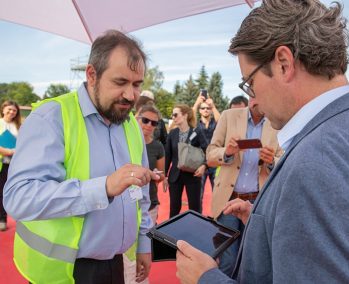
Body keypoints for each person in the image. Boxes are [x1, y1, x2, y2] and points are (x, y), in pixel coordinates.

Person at [175, 1, 349, 283]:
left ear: (283, 63)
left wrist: (206, 278)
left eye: (250, 83)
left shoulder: (319, 160)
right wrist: (266, 223)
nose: (253, 99)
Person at [3, 30, 160, 284]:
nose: (131, 95)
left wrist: (144, 243)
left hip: (116, 265)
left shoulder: (130, 123)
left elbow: (139, 193)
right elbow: (18, 198)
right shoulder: (51, 117)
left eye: (137, 84)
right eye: (120, 82)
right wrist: (104, 187)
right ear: (91, 75)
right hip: (63, 273)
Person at [205, 96, 281, 276]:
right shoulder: (229, 116)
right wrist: (228, 152)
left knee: (253, 257)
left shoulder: (277, 122)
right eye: (253, 93)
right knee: (227, 259)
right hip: (228, 200)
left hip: (258, 203)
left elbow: (284, 159)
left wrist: (272, 162)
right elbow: (210, 155)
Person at [124, 103, 165, 284]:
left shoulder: (157, 146)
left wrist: (155, 175)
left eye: (154, 123)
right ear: (135, 117)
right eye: (145, 120)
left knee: (142, 244)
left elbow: (162, 173)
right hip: (123, 203)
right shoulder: (124, 140)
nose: (149, 125)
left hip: (148, 202)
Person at [165, 104, 208, 217]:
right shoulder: (172, 134)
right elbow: (168, 155)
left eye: (175, 114)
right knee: (174, 208)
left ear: (184, 116)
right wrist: (164, 176)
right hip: (175, 176)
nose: (173, 117)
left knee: (194, 208)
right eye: (172, 115)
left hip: (193, 175)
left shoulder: (197, 132)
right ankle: (172, 232)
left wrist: (204, 165)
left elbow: (208, 150)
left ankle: (195, 232)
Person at [192, 91, 221, 211]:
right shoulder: (195, 125)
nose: (205, 110)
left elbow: (221, 120)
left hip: (215, 162)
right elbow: (189, 116)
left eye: (208, 108)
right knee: (198, 196)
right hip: (200, 164)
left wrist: (213, 106)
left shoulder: (216, 124)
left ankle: (217, 219)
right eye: (203, 108)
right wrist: (197, 103)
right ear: (199, 110)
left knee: (218, 195)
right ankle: (198, 219)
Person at [0, 100, 20, 232]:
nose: (11, 112)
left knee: (3, 192)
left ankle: (2, 219)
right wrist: (7, 151)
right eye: (9, 109)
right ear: (3, 110)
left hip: (11, 164)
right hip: (1, 161)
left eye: (14, 110)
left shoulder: (18, 126)